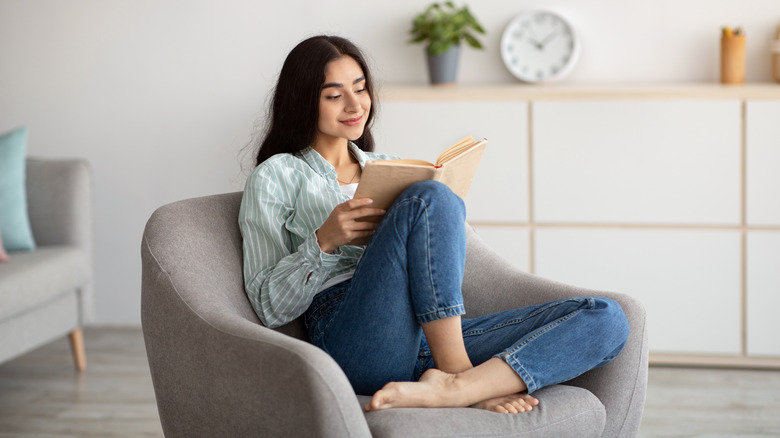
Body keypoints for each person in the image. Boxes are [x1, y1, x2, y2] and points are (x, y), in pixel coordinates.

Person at [239, 35, 630, 414]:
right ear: (305, 102)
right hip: (353, 338)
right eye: (335, 95)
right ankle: (458, 374)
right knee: (432, 197)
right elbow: (267, 307)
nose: (355, 104)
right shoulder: (277, 175)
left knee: (607, 317)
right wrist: (323, 241)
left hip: (430, 334)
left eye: (360, 89)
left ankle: (456, 388)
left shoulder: (390, 166)